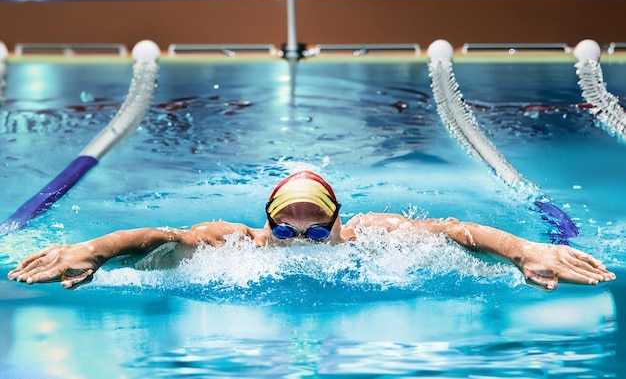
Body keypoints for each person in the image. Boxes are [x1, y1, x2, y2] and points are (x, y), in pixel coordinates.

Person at [7, 170, 615, 291]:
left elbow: (455, 231)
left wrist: (524, 250)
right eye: (286, 230)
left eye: (315, 230)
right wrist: (90, 250)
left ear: (339, 224)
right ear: (267, 223)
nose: (300, 243)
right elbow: (159, 235)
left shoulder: (372, 236)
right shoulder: (236, 240)